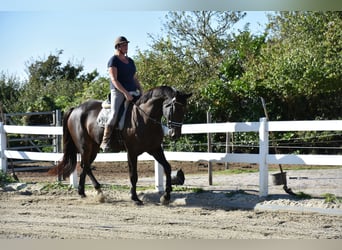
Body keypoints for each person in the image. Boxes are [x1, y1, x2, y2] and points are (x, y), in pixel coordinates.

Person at [100, 36, 143, 152]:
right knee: (114, 114)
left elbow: (134, 78)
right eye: (124, 45)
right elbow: (114, 79)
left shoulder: (131, 61)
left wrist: (141, 90)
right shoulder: (113, 60)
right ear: (118, 47)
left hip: (133, 90)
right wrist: (125, 93)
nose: (126, 47)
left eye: (127, 44)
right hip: (118, 91)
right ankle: (105, 141)